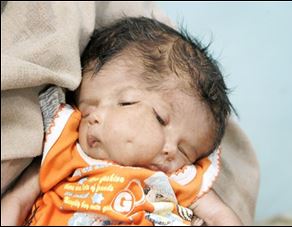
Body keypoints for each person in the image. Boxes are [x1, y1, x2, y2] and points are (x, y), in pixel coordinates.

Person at [1, 2, 259, 226]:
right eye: (160, 119)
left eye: (185, 153)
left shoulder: (176, 178)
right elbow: (17, 200)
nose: (170, 151)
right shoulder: (62, 149)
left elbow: (219, 215)